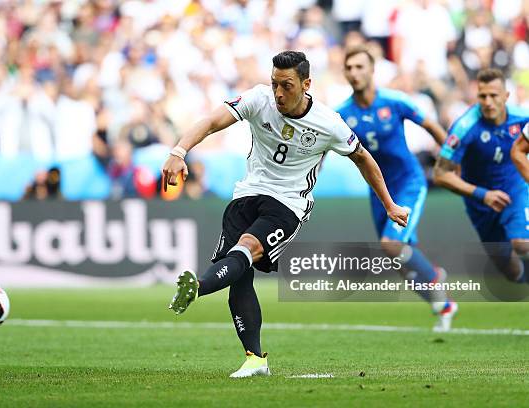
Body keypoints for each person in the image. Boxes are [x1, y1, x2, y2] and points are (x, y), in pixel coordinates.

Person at [161, 51, 408, 378]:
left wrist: (389, 204)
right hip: (247, 194)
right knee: (240, 271)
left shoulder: (328, 122)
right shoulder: (258, 99)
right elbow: (210, 122)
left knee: (247, 248)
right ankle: (255, 359)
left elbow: (362, 158)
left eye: (287, 86)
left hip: (288, 204)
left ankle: (200, 287)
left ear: (306, 84)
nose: (279, 93)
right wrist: (178, 151)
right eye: (275, 83)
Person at [336, 44, 457, 332]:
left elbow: (430, 125)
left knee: (391, 245)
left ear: (372, 70)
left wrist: (451, 158)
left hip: (408, 182)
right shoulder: (341, 113)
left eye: (360, 66)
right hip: (379, 191)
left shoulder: (394, 101)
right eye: (349, 68)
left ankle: (434, 277)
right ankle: (443, 303)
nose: (354, 73)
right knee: (400, 262)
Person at [434, 68, 528, 284]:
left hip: (515, 189)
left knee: (522, 243)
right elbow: (440, 174)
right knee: (511, 271)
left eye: (494, 95)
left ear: (506, 96)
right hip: (480, 202)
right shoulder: (464, 127)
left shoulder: (522, 120)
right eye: (482, 96)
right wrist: (483, 195)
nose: (487, 102)